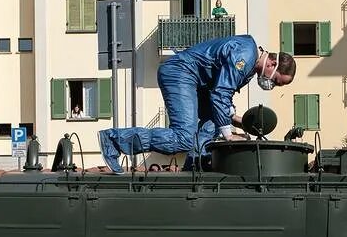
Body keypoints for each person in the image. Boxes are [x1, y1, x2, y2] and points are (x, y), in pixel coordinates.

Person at [98, 34, 295, 173]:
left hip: (196, 82)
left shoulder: (250, 64)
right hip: (180, 72)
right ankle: (114, 140)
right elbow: (220, 93)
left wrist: (238, 121)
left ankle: (194, 168)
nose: (273, 86)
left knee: (211, 125)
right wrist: (228, 135)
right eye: (276, 81)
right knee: (183, 137)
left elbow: (221, 95)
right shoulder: (245, 55)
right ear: (271, 64)